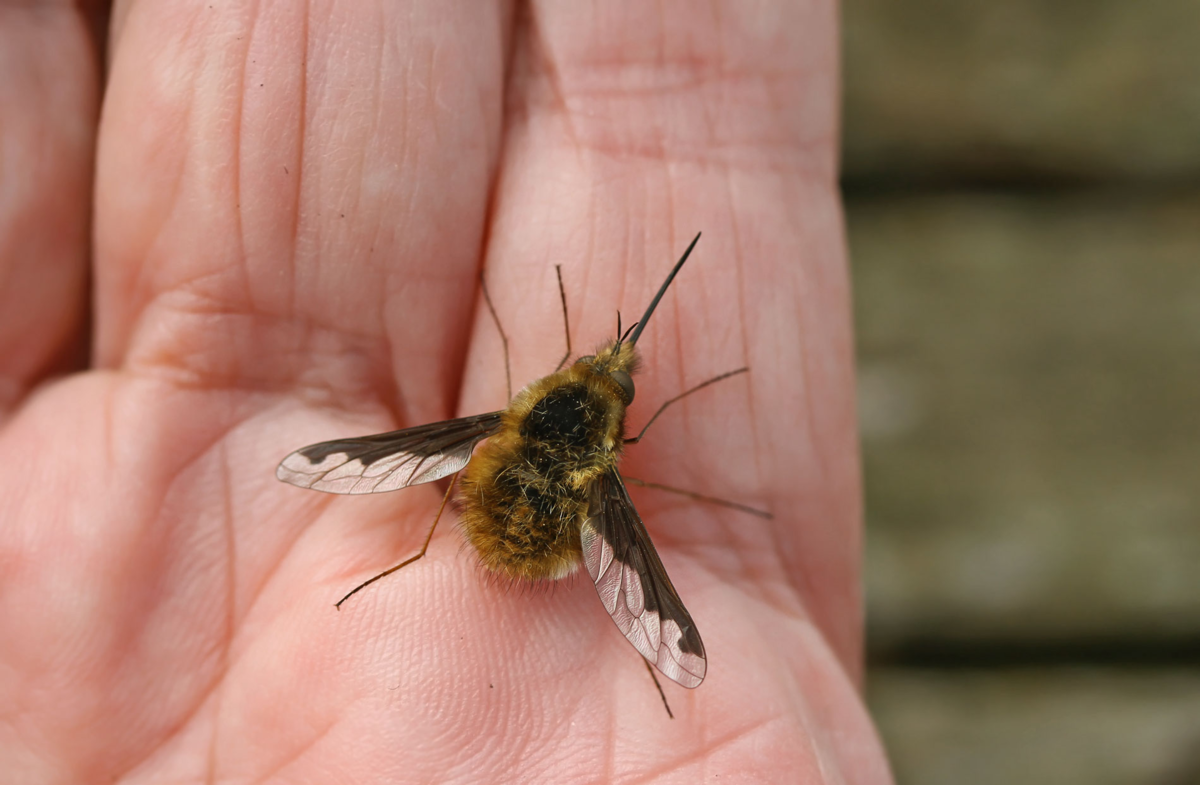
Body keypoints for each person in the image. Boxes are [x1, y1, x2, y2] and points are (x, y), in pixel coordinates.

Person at [0, 2, 892, 782]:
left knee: (443, 459)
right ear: (615, 429)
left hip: (499, 508)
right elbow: (626, 493)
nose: (604, 366)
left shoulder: (509, 418)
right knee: (606, 517)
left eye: (599, 368)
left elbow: (434, 449)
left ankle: (418, 550)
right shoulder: (614, 464)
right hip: (544, 536)